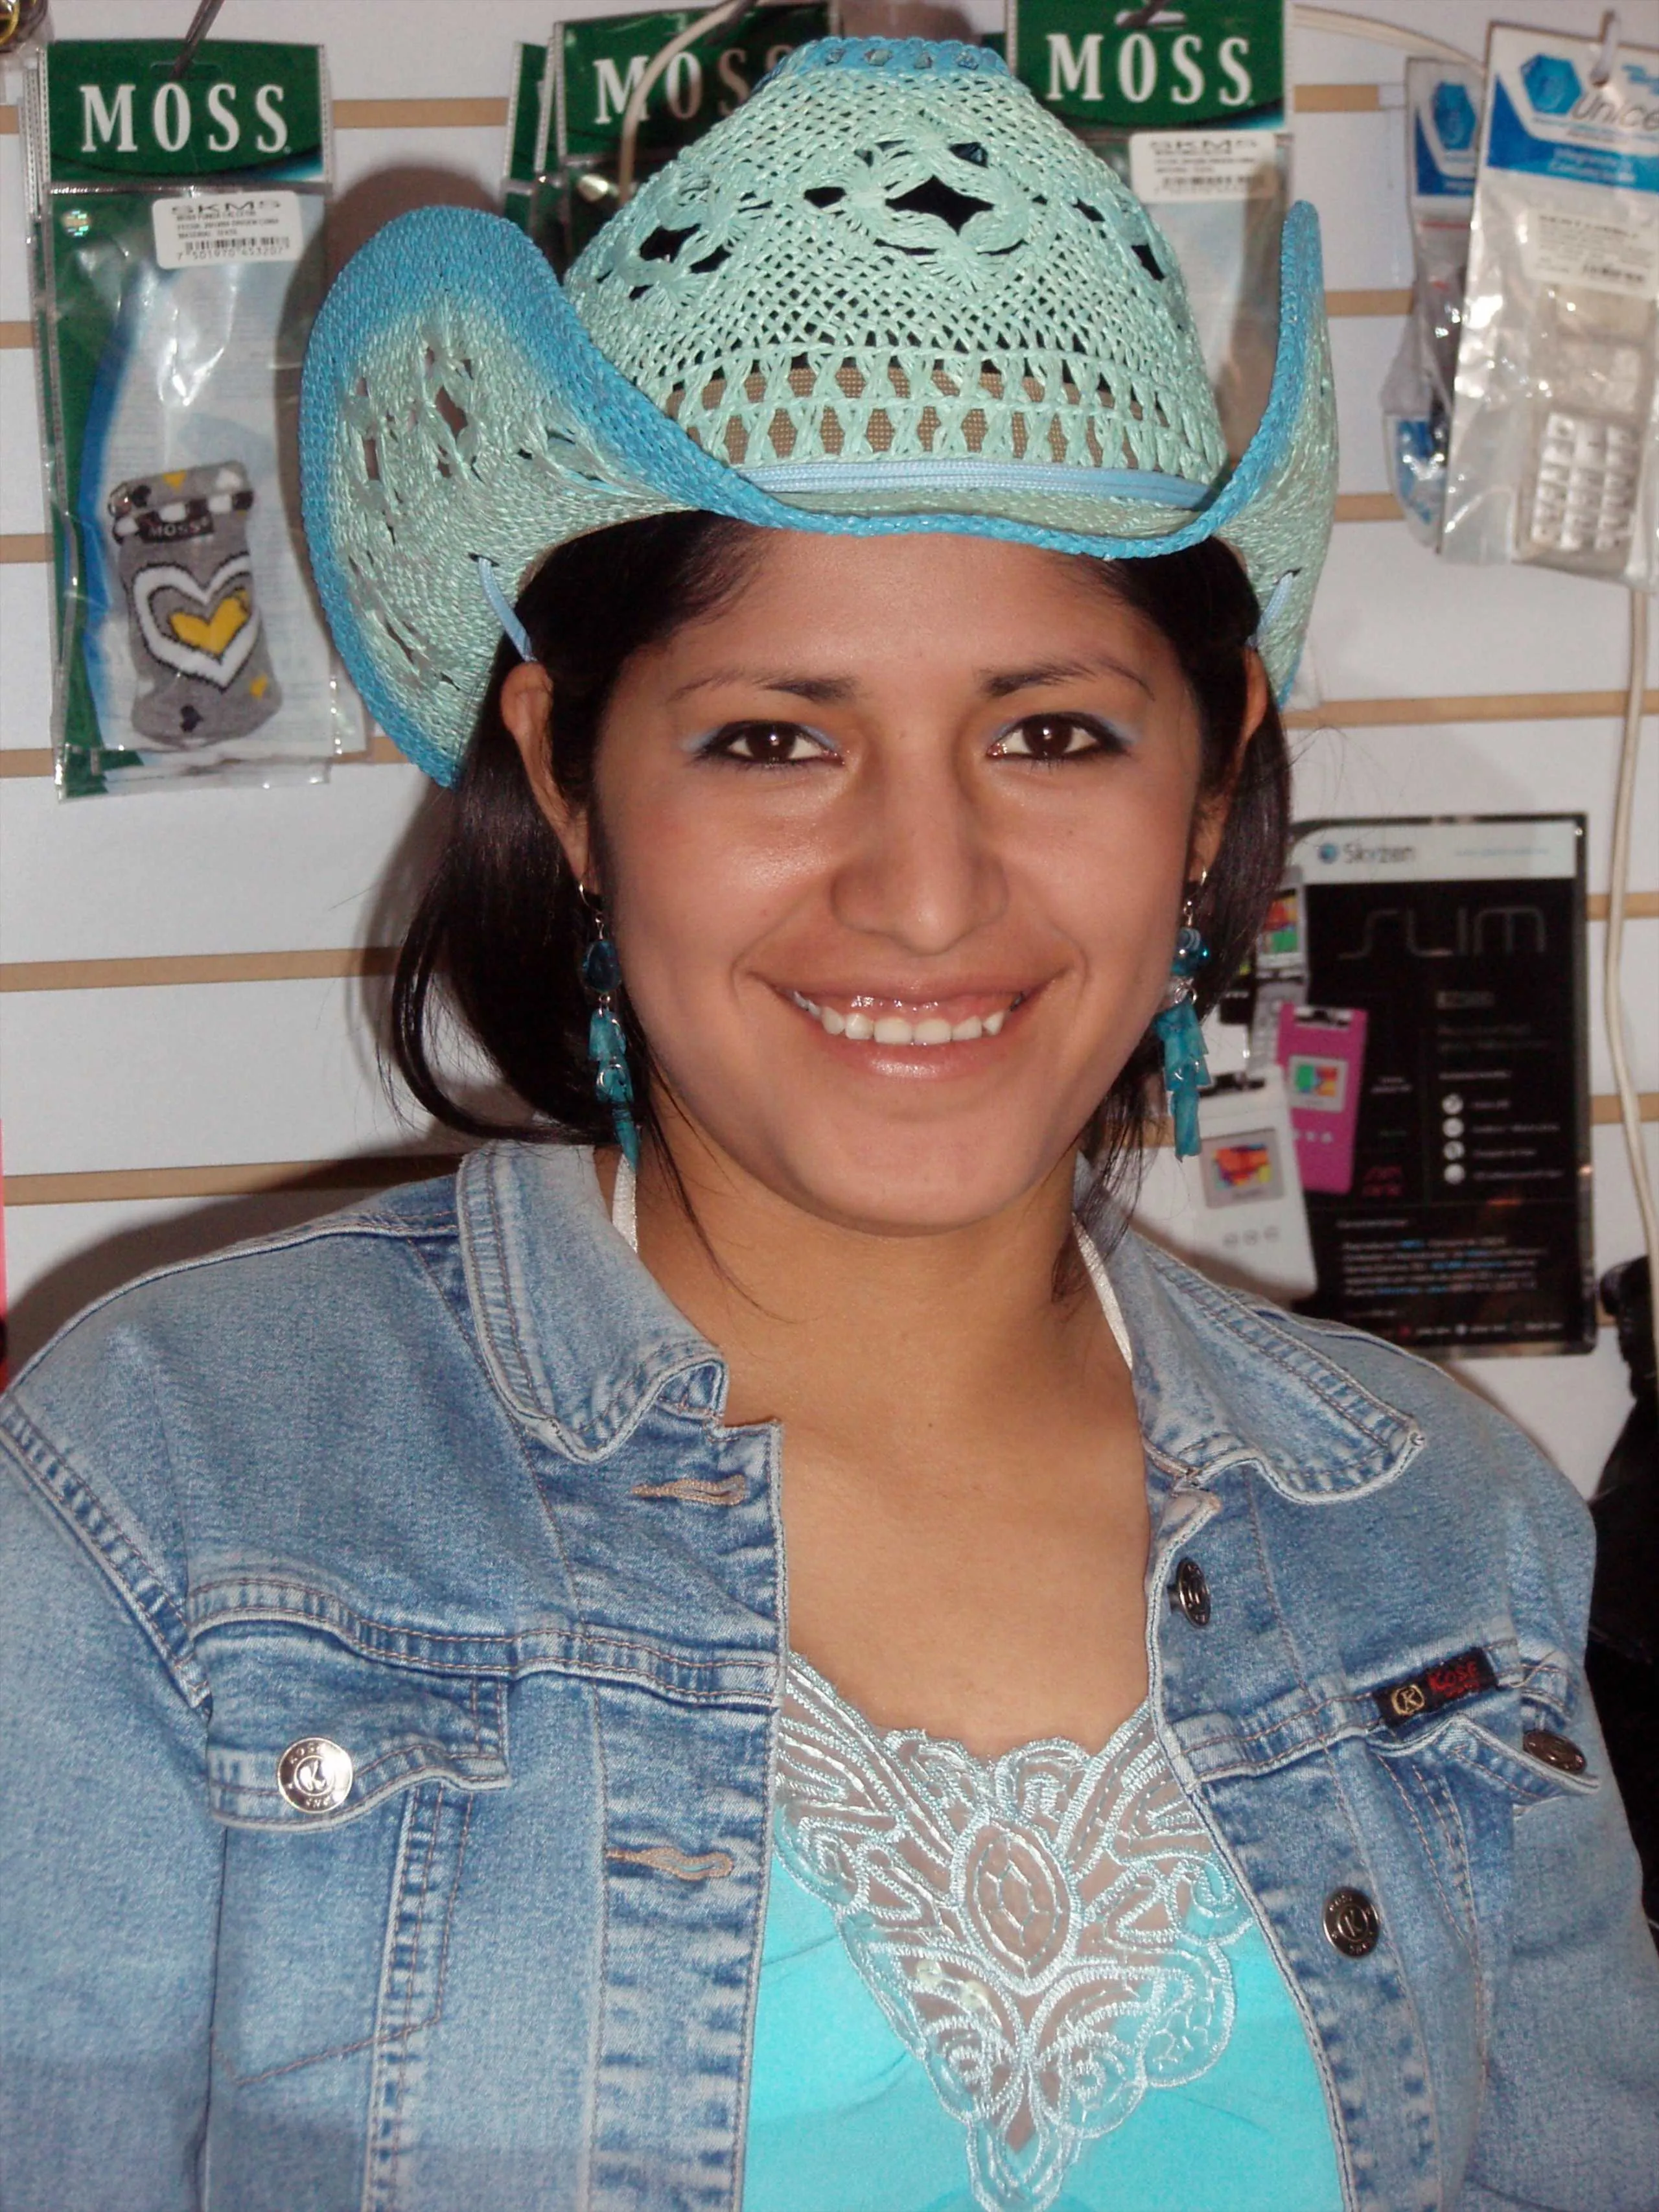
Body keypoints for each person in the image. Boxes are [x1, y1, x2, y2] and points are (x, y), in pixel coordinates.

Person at [2, 38, 1655, 2212]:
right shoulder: (171, 1496)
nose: (929, 887)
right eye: (777, 740)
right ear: (573, 778)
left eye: (1052, 732)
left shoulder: (1452, 1538)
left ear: (1211, 769)